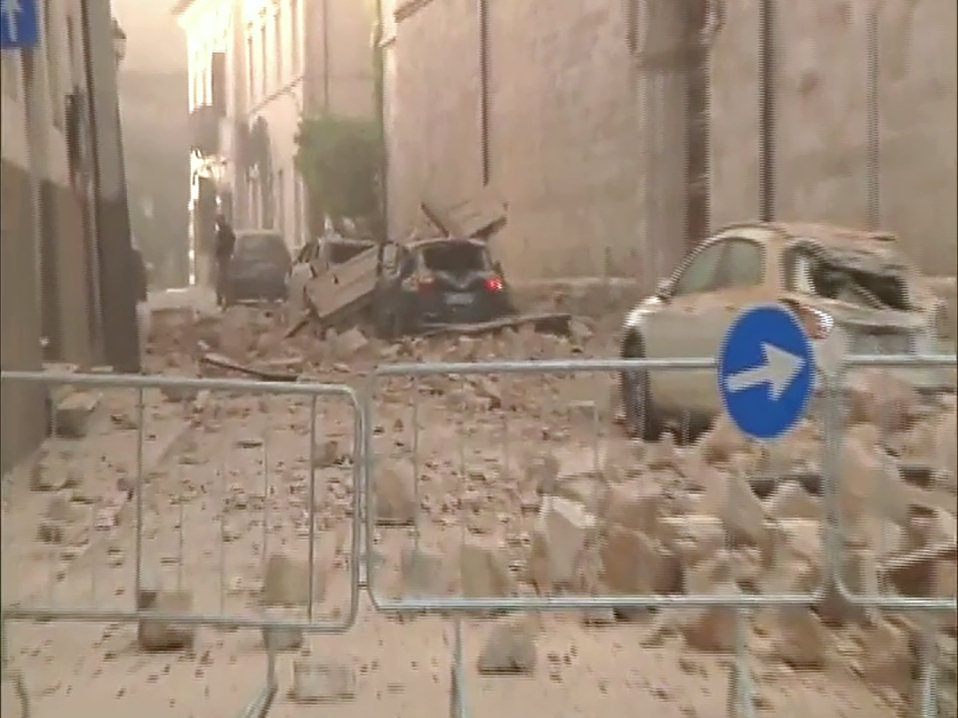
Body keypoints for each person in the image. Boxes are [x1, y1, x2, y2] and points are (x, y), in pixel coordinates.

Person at [214, 213, 236, 308]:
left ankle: (224, 299)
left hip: (224, 257)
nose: (217, 223)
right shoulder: (225, 230)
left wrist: (221, 250)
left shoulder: (224, 231)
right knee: (223, 279)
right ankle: (224, 299)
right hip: (224, 256)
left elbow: (226, 242)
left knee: (223, 279)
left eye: (218, 221)